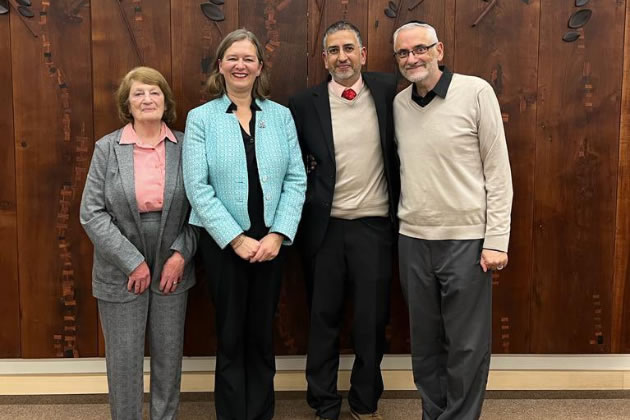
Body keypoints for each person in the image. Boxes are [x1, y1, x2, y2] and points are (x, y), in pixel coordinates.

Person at [182, 28, 306, 420]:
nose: (240, 65)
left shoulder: (281, 116)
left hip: (270, 243)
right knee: (231, 335)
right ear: (220, 66)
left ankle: (261, 413)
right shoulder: (201, 118)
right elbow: (197, 187)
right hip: (223, 246)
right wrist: (235, 239)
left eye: (248, 59)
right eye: (232, 58)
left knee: (261, 335)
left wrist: (278, 234)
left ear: (260, 67)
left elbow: (296, 179)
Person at [392, 21, 513, 420]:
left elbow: (498, 171)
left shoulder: (476, 91)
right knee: (425, 344)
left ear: (438, 50)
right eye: (404, 53)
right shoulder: (399, 105)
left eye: (420, 49)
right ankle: (434, 413)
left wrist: (497, 239)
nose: (413, 58)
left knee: (466, 345)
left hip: (466, 240)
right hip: (413, 238)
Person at [288, 21, 399, 420]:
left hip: (374, 226)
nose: (342, 57)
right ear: (324, 59)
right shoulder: (303, 104)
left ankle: (365, 403)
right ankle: (324, 404)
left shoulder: (389, 92)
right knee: (322, 320)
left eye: (349, 48)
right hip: (324, 229)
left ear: (363, 53)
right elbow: (290, 164)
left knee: (371, 322)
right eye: (333, 50)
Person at [80, 66, 198, 420]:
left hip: (172, 258)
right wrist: (131, 261)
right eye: (138, 93)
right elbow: (91, 212)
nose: (147, 99)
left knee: (168, 354)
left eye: (155, 92)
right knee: (124, 356)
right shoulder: (107, 148)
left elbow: (202, 207)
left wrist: (181, 254)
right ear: (127, 104)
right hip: (119, 261)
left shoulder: (187, 145)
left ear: (166, 101)